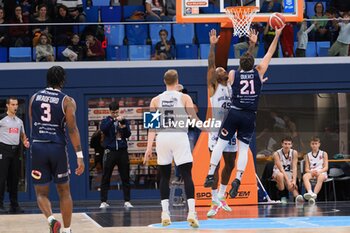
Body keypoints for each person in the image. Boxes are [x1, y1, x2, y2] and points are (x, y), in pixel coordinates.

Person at [204, 25, 284, 199]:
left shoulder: (233, 76)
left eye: (222, 69)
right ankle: (222, 184)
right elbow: (260, 59)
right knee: (243, 150)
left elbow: (243, 66)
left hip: (234, 115)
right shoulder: (216, 85)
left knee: (230, 161)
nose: (221, 69)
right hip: (243, 117)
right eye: (219, 70)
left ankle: (223, 183)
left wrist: (250, 47)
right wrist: (269, 39)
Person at [29, 66, 85, 233]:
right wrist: (79, 156)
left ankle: (51, 219)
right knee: (64, 191)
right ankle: (67, 230)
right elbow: (72, 129)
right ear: (62, 80)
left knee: (41, 193)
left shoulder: (34, 98)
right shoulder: (67, 101)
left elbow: (33, 124)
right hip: (57, 148)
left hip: (38, 146)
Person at [143, 69, 201, 228]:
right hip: (179, 137)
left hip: (163, 138)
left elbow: (151, 128)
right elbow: (194, 120)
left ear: (164, 81)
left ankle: (165, 213)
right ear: (177, 81)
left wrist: (149, 148)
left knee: (164, 176)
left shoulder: (155, 100)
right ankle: (191, 212)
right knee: (187, 175)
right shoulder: (184, 97)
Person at [99, 102, 133, 209]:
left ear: (119, 110)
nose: (115, 114)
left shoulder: (124, 120)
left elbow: (128, 134)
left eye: (117, 112)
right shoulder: (106, 121)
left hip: (122, 152)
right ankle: (103, 201)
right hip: (110, 151)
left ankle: (127, 201)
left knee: (125, 177)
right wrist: (113, 120)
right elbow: (103, 129)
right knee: (106, 176)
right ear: (109, 111)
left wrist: (122, 125)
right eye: (113, 112)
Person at [0, 97, 29, 214]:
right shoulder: (1, 119)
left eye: (16, 105)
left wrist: (25, 142)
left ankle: (14, 205)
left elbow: (22, 135)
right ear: (7, 105)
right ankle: (0, 205)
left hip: (15, 151)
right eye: (12, 104)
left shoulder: (19, 121)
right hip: (3, 150)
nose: (15, 107)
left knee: (14, 179)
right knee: (1, 179)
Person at [272, 136, 303, 203]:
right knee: (281, 175)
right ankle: (285, 195)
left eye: (289, 144)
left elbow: (294, 167)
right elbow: (281, 169)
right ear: (282, 144)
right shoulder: (276, 154)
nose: (287, 146)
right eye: (285, 144)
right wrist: (288, 182)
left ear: (291, 145)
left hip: (289, 172)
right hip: (278, 172)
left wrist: (294, 181)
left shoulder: (294, 152)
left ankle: (296, 197)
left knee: (290, 179)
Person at [303, 136, 329, 204]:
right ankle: (310, 192)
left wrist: (319, 171)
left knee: (320, 177)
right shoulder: (307, 155)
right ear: (310, 144)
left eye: (316, 143)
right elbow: (306, 169)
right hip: (312, 172)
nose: (314, 145)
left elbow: (326, 167)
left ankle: (314, 195)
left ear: (319, 144)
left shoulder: (324, 153)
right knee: (305, 176)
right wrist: (311, 171)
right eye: (313, 143)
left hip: (321, 172)